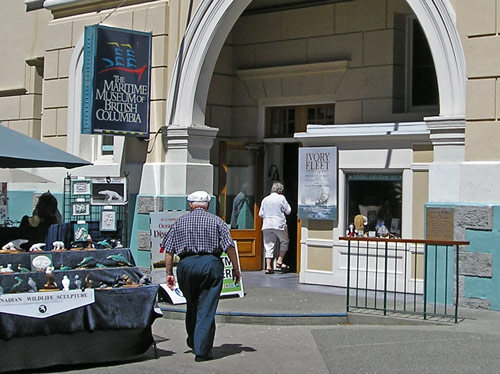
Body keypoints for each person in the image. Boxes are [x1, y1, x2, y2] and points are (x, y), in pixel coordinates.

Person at [162, 190, 241, 362]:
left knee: (192, 304)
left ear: (190, 205)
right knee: (206, 307)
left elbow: (168, 250)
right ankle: (202, 350)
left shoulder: (180, 222)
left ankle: (194, 340)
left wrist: (168, 273)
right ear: (208, 205)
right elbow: (229, 247)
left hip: (186, 266)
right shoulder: (217, 221)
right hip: (210, 265)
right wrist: (236, 269)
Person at [258, 182, 291, 274]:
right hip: (279, 224)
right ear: (280, 190)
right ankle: (280, 260)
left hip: (267, 224)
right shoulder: (281, 198)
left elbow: (260, 213)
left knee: (268, 245)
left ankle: (268, 266)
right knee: (284, 241)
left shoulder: (265, 199)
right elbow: (288, 211)